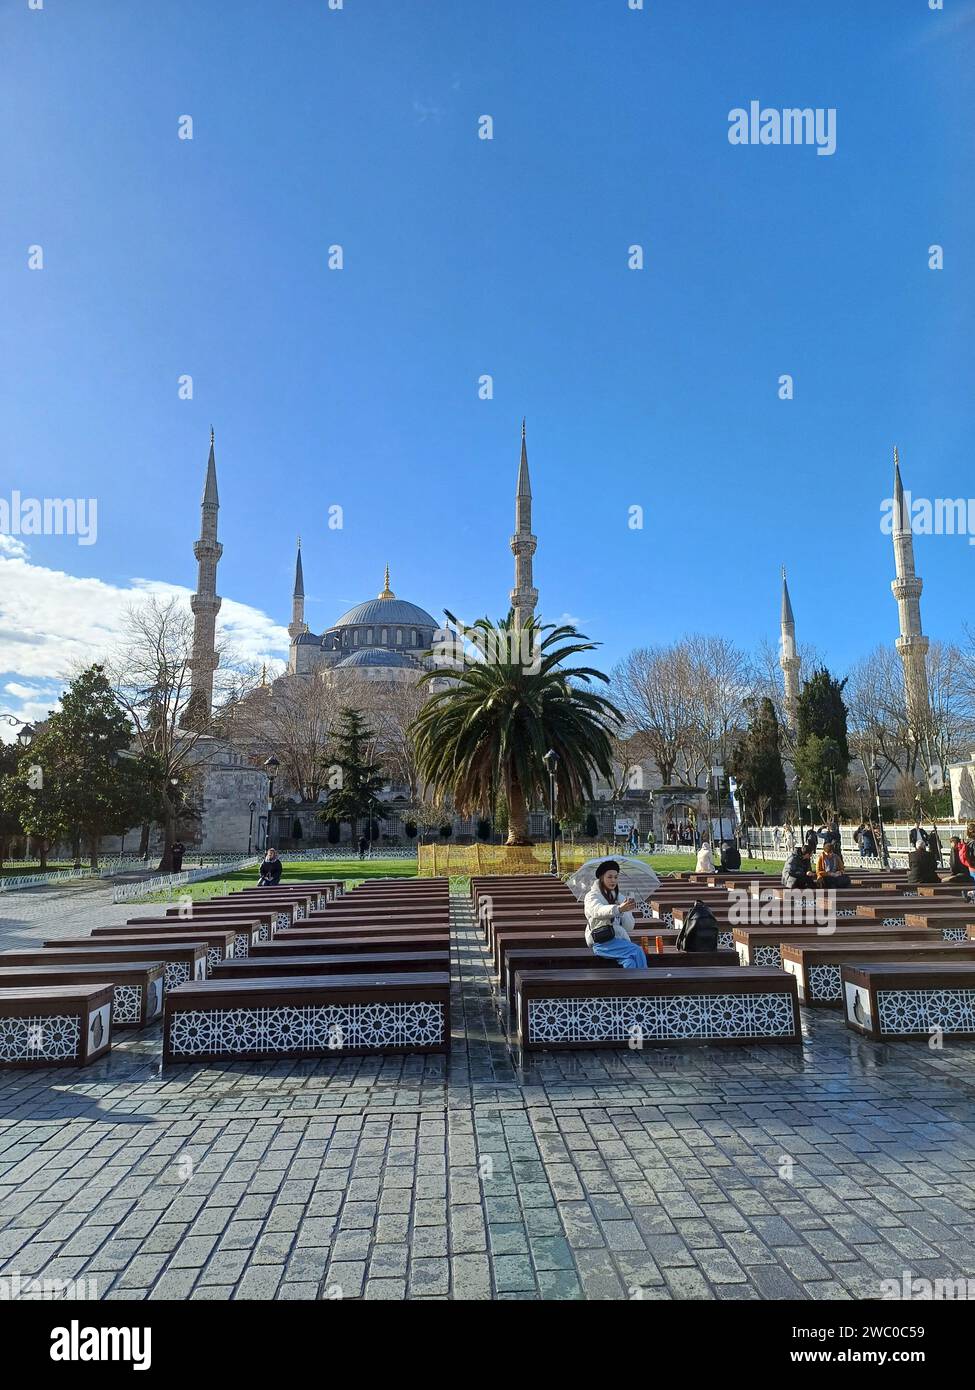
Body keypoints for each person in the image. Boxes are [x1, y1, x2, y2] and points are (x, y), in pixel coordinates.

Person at [583, 859, 647, 969]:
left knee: (630, 963)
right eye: (609, 877)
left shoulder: (619, 897)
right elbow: (597, 911)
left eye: (616, 877)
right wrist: (618, 909)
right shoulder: (592, 896)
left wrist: (626, 911)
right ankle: (646, 983)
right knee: (637, 951)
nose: (613, 880)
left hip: (619, 940)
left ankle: (631, 985)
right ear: (601, 878)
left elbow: (629, 927)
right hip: (601, 942)